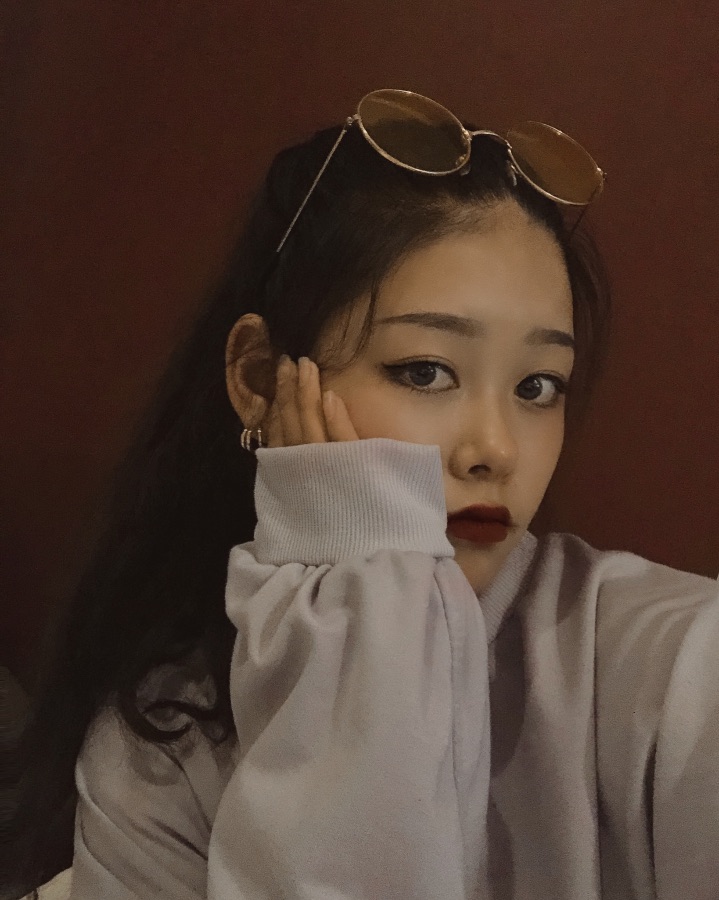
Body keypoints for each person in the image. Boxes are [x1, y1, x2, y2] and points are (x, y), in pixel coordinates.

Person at [9, 90, 718, 900]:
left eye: (537, 386)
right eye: (424, 371)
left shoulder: (673, 668)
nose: (494, 450)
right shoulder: (163, 749)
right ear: (257, 379)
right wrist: (361, 612)